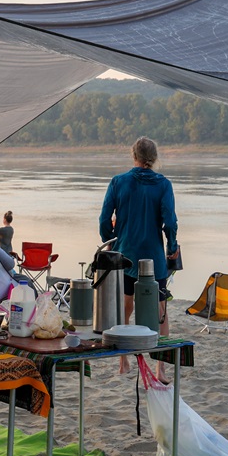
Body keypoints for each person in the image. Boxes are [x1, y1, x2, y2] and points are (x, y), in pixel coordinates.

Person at [99, 136, 179, 382]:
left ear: (133, 156)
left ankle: (123, 362)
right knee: (160, 311)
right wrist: (172, 246)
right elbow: (170, 221)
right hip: (154, 256)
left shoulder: (118, 182)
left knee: (126, 306)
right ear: (154, 159)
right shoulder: (163, 184)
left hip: (125, 254)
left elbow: (104, 219)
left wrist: (111, 238)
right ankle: (161, 368)